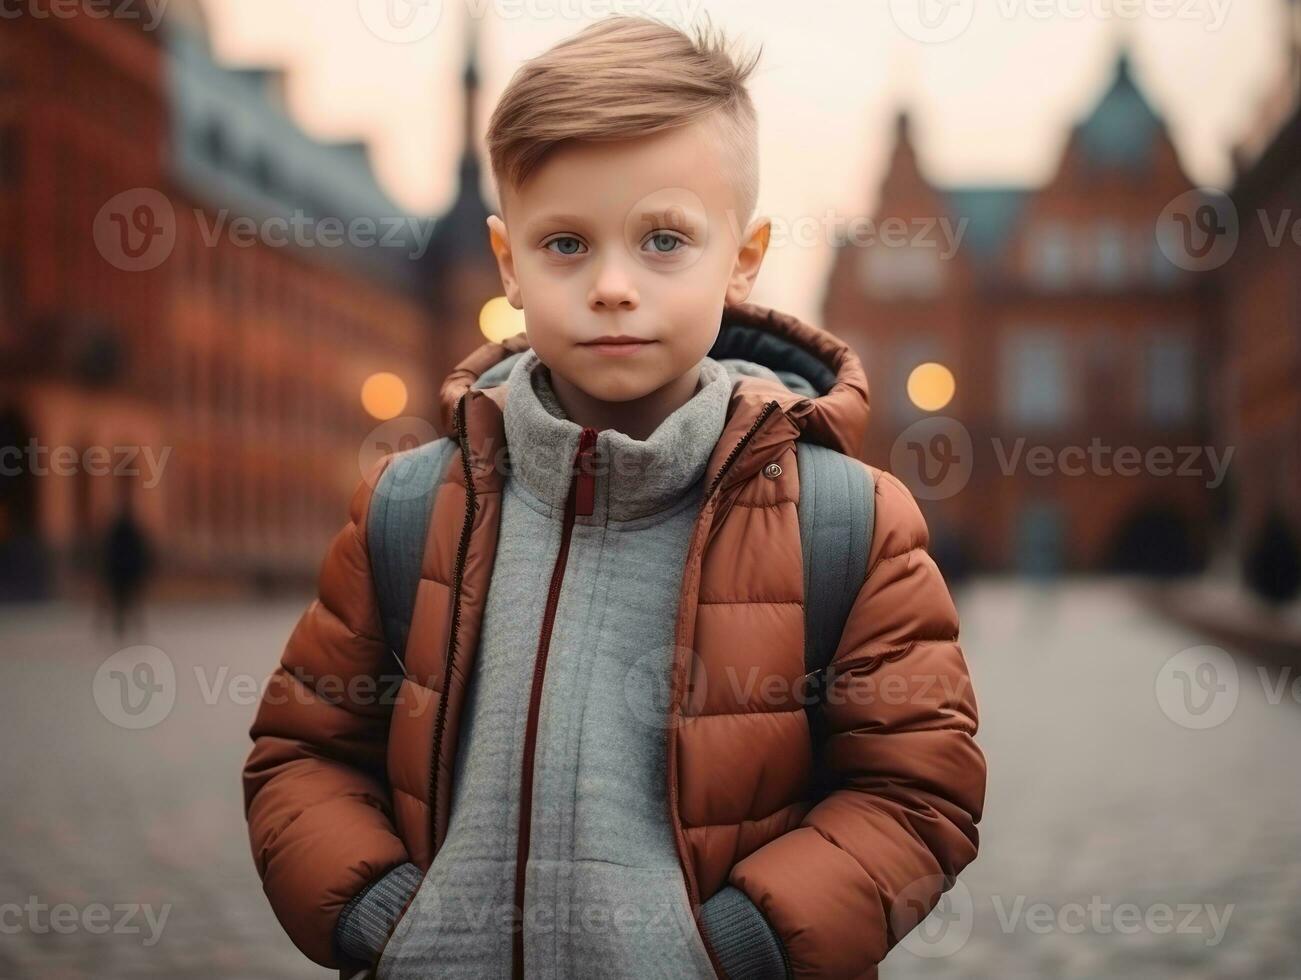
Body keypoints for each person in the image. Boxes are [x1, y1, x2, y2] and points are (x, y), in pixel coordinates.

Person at [242, 15, 986, 980]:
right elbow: (301, 751)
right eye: (565, 243)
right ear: (509, 264)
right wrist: (383, 917)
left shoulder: (846, 522)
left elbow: (915, 794)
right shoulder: (408, 507)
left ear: (745, 256)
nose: (612, 286)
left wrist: (736, 947)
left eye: (664, 239)